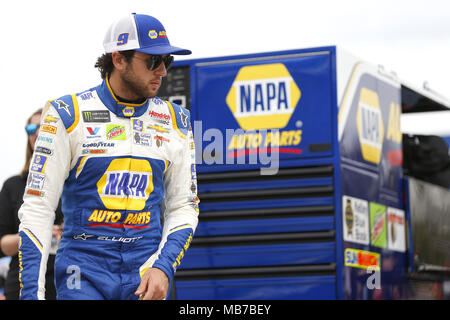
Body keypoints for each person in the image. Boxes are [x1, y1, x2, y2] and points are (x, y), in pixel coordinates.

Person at [18, 13, 199, 300]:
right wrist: (31, 295)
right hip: (84, 272)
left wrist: (164, 267)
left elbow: (183, 206)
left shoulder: (176, 121)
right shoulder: (67, 114)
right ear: (118, 59)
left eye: (167, 60)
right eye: (153, 61)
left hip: (145, 272)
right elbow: (38, 209)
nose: (163, 71)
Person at [0, 109, 63, 300]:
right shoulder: (13, 185)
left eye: (44, 127)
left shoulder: (73, 184)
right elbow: (3, 245)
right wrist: (36, 233)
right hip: (21, 283)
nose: (37, 132)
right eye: (32, 128)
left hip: (67, 282)